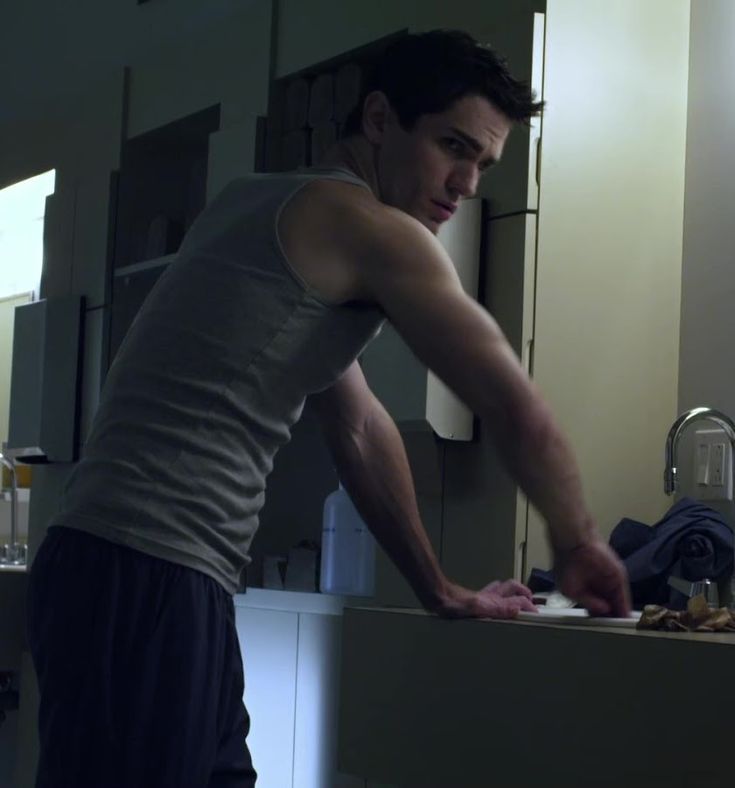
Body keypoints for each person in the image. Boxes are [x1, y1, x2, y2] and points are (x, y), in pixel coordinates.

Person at [26, 29, 630, 788]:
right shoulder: (367, 228)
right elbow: (512, 404)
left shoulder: (262, 205)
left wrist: (437, 587)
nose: (467, 181)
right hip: (143, 570)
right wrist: (577, 542)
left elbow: (357, 424)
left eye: (483, 163)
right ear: (379, 120)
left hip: (152, 573)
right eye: (453, 146)